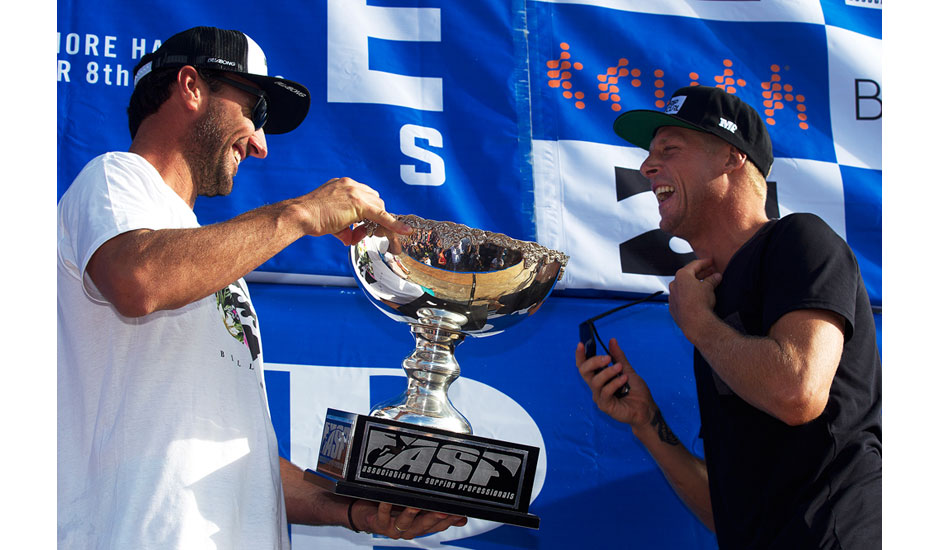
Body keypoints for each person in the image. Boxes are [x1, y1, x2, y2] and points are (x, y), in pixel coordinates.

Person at [57, 26, 466, 548]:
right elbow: (138, 280)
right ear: (190, 86)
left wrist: (354, 510)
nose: (260, 144)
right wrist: (299, 212)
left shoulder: (204, 255)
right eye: (254, 110)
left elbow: (236, 455)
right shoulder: (114, 179)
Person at [575, 85, 881, 549]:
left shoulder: (800, 239)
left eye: (669, 150)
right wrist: (646, 421)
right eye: (649, 154)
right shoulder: (714, 309)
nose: (646, 166)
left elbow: (798, 393)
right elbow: (730, 515)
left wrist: (698, 325)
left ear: (731, 158)